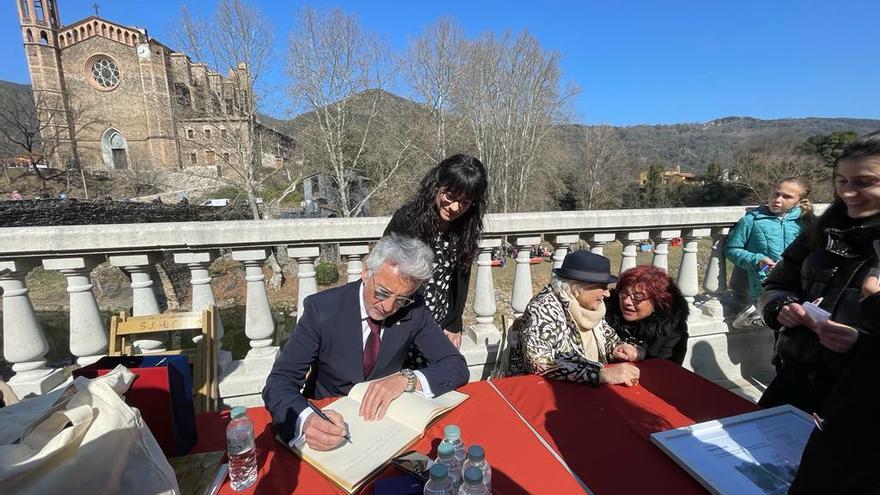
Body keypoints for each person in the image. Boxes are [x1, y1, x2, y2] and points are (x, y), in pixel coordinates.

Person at [262, 234, 469, 451]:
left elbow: (455, 365)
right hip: (328, 417)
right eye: (382, 293)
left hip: (384, 423)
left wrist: (406, 379)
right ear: (365, 272)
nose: (388, 307)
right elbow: (279, 381)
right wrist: (306, 421)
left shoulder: (414, 309)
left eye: (401, 299)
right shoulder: (321, 309)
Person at [758, 130, 880, 414]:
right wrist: (781, 307)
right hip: (794, 378)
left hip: (860, 398)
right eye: (842, 181)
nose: (848, 193)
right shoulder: (820, 232)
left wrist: (862, 346)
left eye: (864, 183)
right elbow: (776, 284)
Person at [788, 261, 880, 494]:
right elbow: (782, 281)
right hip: (799, 368)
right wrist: (779, 305)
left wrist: (874, 305)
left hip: (849, 401)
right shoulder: (819, 232)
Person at [383, 154, 488, 358]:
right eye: (450, 196)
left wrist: (455, 323)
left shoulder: (466, 227)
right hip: (400, 320)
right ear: (436, 186)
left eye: (465, 203)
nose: (455, 208)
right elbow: (382, 268)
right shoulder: (407, 220)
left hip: (437, 324)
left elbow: (461, 278)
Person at [508, 250, 642, 386]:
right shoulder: (544, 308)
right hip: (546, 389)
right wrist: (598, 374)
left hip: (585, 388)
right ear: (577, 289)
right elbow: (538, 361)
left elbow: (609, 340)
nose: (607, 293)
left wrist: (619, 348)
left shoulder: (594, 308)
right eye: (602, 287)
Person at [725, 177, 813, 329]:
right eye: (776, 194)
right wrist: (756, 260)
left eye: (786, 197)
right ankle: (757, 316)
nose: (778, 200)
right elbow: (731, 249)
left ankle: (758, 318)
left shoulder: (806, 223)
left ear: (799, 201)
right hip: (765, 286)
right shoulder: (752, 220)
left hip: (799, 286)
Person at [604, 265, 690, 364]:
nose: (627, 301)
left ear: (657, 302)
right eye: (624, 293)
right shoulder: (605, 314)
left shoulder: (671, 327)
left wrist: (643, 357)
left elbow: (669, 368)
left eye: (638, 297)